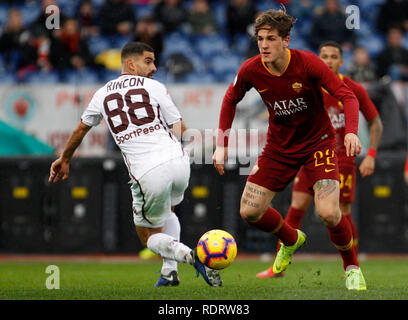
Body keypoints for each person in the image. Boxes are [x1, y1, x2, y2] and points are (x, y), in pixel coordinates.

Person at [213, 8, 366, 290]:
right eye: (260, 38)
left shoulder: (307, 63)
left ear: (286, 40)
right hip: (279, 147)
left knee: (330, 213)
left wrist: (352, 133)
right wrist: (221, 145)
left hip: (318, 143)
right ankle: (292, 238)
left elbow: (347, 95)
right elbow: (229, 99)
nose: (264, 45)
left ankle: (352, 268)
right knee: (250, 212)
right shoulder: (251, 68)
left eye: (271, 38)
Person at [48, 42, 222, 287]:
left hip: (148, 171)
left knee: (148, 237)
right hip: (179, 161)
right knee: (169, 211)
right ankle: (169, 273)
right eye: (148, 61)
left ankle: (191, 255)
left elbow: (81, 129)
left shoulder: (102, 93)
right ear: (130, 63)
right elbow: (181, 129)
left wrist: (65, 159)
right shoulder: (155, 87)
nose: (154, 67)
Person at [256, 41, 383, 279]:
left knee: (339, 212)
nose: (328, 61)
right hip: (311, 155)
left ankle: (352, 268)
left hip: (341, 158)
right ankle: (279, 267)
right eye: (324, 56)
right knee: (296, 206)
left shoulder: (352, 88)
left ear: (341, 61)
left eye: (334, 56)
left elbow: (376, 122)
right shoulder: (307, 86)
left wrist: (372, 155)